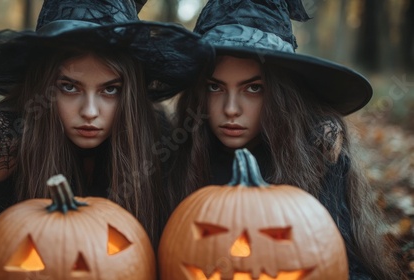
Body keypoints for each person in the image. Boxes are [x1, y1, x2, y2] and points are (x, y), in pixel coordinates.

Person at [0, 0, 212, 279]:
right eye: (69, 87)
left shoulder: (152, 133)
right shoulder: (3, 138)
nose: (90, 112)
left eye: (110, 90)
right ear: (44, 85)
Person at [167, 0, 405, 279]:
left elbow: (343, 264)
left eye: (253, 88)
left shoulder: (317, 156)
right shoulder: (176, 154)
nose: (231, 108)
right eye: (215, 87)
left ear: (280, 95)